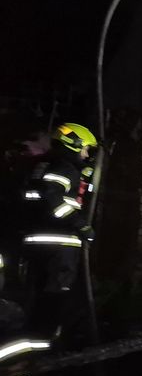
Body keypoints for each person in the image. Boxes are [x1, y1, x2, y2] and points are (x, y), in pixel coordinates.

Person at [1, 123, 98, 360]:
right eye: (86, 149)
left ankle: (31, 359)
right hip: (59, 246)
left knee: (37, 303)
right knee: (52, 306)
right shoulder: (64, 168)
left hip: (37, 243)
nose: (87, 155)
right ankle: (36, 357)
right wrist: (81, 225)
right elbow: (56, 203)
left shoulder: (43, 165)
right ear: (73, 144)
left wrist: (85, 179)